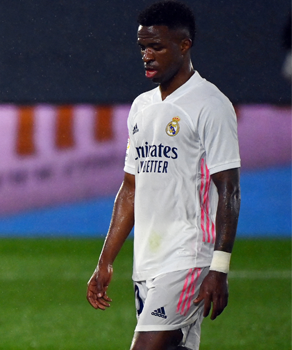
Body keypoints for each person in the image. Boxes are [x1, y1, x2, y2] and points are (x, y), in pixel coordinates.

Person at [85, 1, 241, 349]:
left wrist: (219, 267)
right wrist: (105, 260)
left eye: (156, 46)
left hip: (188, 258)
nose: (147, 55)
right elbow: (130, 188)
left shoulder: (209, 105)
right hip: (148, 260)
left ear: (184, 46)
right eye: (143, 47)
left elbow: (229, 190)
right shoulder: (142, 107)